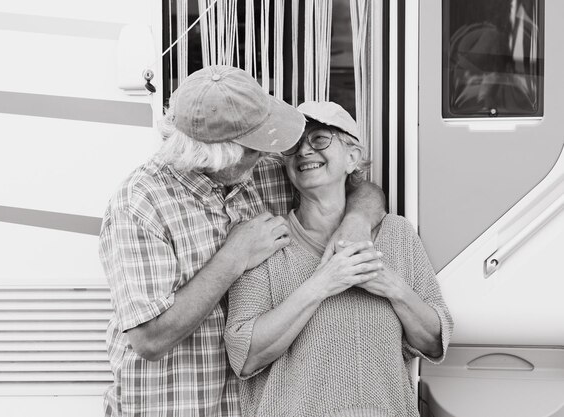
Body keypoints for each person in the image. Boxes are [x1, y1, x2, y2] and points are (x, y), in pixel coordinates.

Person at [99, 67, 386, 416]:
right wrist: (235, 255)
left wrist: (356, 223)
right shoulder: (140, 203)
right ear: (220, 156)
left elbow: (358, 185)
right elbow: (149, 339)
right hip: (173, 407)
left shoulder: (256, 171)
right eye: (256, 144)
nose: (268, 150)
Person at [224, 101, 453, 417]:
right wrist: (322, 283)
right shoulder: (268, 241)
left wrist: (394, 288)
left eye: (319, 139)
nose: (304, 150)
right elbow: (244, 356)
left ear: (352, 158)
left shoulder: (397, 233)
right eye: (294, 144)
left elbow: (434, 343)